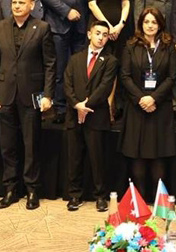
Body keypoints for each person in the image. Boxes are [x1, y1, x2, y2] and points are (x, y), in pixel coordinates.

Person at [0, 0, 56, 210]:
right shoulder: (0, 27)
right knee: (7, 146)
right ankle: (10, 189)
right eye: (14, 2)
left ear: (31, 5)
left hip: (32, 95)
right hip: (5, 94)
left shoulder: (42, 27)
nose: (16, 6)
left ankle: (32, 190)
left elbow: (50, 64)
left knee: (31, 145)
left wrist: (48, 95)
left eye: (21, 2)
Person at [119, 8, 176, 200]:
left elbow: (172, 76)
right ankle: (140, 202)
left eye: (154, 22)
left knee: (158, 156)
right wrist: (141, 99)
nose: (150, 25)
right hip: (136, 108)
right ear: (141, 24)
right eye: (146, 22)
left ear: (160, 24)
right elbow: (125, 76)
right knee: (137, 157)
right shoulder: (131, 45)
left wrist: (154, 98)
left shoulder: (168, 46)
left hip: (160, 108)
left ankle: (157, 201)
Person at [64, 21, 118, 212]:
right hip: (74, 115)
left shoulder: (110, 61)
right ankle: (74, 195)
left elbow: (105, 88)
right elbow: (67, 85)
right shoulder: (75, 58)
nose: (101, 37)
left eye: (105, 35)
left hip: (96, 116)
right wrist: (77, 105)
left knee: (98, 159)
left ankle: (100, 196)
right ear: (89, 34)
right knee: (74, 158)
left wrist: (85, 106)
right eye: (97, 33)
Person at [41, 0, 90, 123]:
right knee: (60, 69)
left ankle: (78, 105)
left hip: (82, 26)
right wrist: (66, 11)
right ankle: (60, 108)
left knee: (80, 70)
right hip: (58, 24)